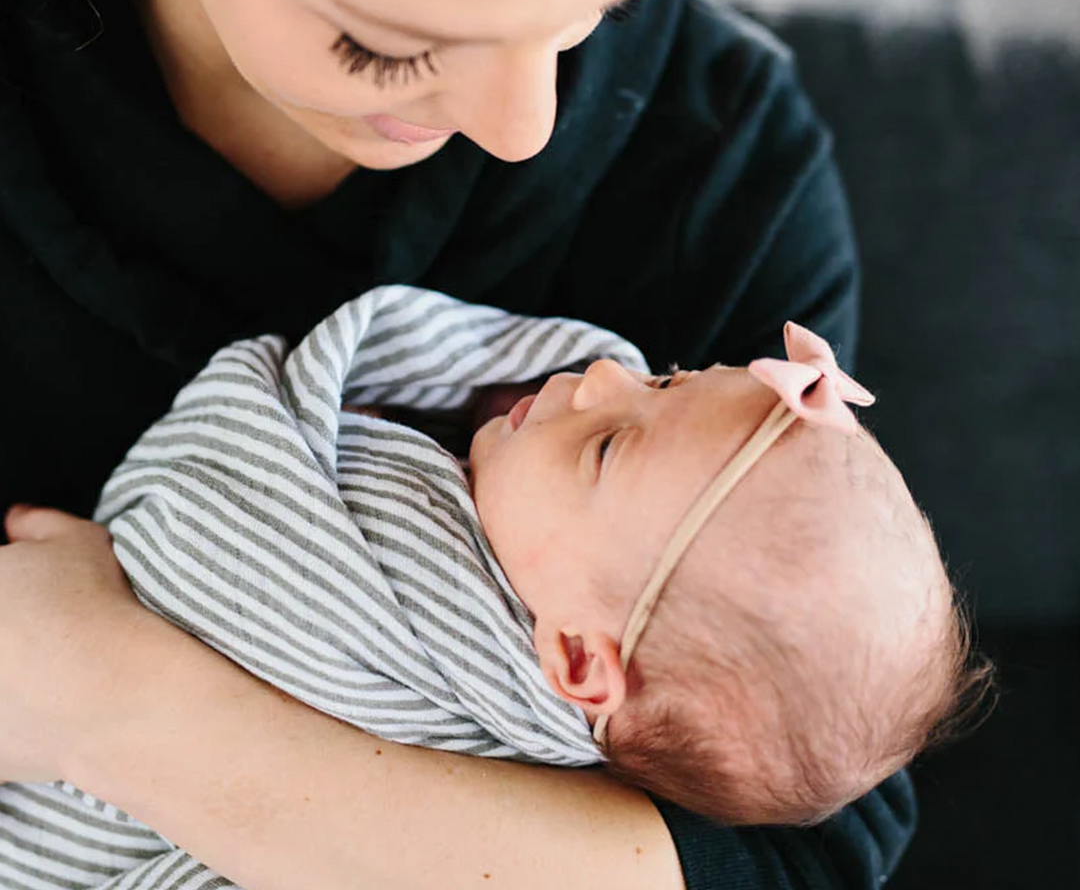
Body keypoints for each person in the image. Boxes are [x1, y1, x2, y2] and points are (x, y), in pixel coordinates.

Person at [0, 0, 921, 889]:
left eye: (594, 6)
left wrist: (126, 711)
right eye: (391, 46)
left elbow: (793, 842)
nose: (524, 125)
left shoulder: (714, 166)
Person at [1, 286, 978, 889]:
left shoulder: (425, 593)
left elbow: (223, 550)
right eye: (667, 379)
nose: (602, 374)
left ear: (577, 659)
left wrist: (109, 677)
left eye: (608, 445)